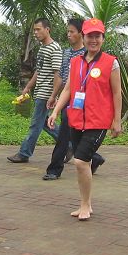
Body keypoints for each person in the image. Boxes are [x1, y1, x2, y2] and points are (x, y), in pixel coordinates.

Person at [48, 18, 121, 220]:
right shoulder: (75, 62)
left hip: (98, 121)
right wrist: (55, 111)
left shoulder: (111, 63)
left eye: (97, 36)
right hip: (76, 119)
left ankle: (86, 205)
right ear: (84, 37)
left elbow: (117, 93)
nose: (93, 40)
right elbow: (68, 89)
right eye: (90, 36)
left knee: (80, 161)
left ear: (103, 38)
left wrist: (117, 120)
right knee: (84, 163)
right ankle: (84, 204)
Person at [43, 17, 105, 180]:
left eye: (72, 31)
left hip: (86, 105)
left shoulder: (90, 55)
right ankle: (58, 168)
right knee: (66, 135)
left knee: (68, 136)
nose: (69, 34)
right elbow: (62, 79)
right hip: (68, 100)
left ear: (80, 34)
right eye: (68, 31)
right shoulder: (67, 54)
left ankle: (56, 168)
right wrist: (55, 97)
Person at [7, 18, 62, 163]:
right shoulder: (43, 48)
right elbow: (39, 70)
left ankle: (24, 153)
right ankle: (68, 145)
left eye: (38, 29)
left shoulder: (55, 49)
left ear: (47, 29)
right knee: (44, 123)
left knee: (35, 124)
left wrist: (53, 95)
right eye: (34, 30)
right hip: (39, 91)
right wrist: (28, 87)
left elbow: (58, 74)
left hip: (46, 93)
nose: (36, 33)